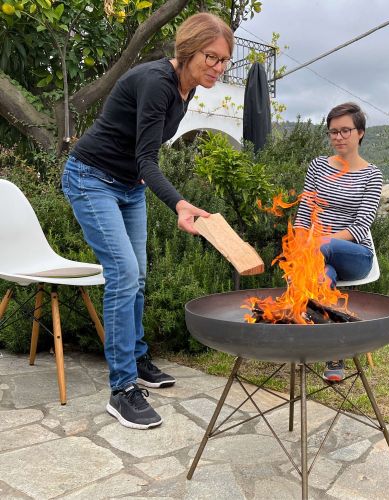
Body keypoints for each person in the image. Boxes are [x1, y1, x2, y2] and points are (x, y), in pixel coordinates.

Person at [61, 13, 234, 429]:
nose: (218, 67)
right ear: (189, 50)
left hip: (129, 185)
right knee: (123, 273)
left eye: (225, 60)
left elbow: (143, 159)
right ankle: (122, 390)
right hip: (91, 178)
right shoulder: (158, 83)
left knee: (137, 277)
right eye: (211, 56)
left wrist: (160, 192)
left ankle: (136, 360)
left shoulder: (186, 89)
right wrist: (179, 203)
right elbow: (147, 158)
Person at [294, 102, 383, 382]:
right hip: (318, 253)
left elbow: (361, 227)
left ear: (360, 133)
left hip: (355, 255)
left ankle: (304, 322)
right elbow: (304, 213)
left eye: (345, 130)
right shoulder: (318, 166)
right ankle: (334, 354)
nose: (339, 137)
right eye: (333, 132)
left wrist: (318, 242)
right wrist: (298, 245)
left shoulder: (372, 174)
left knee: (324, 247)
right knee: (322, 277)